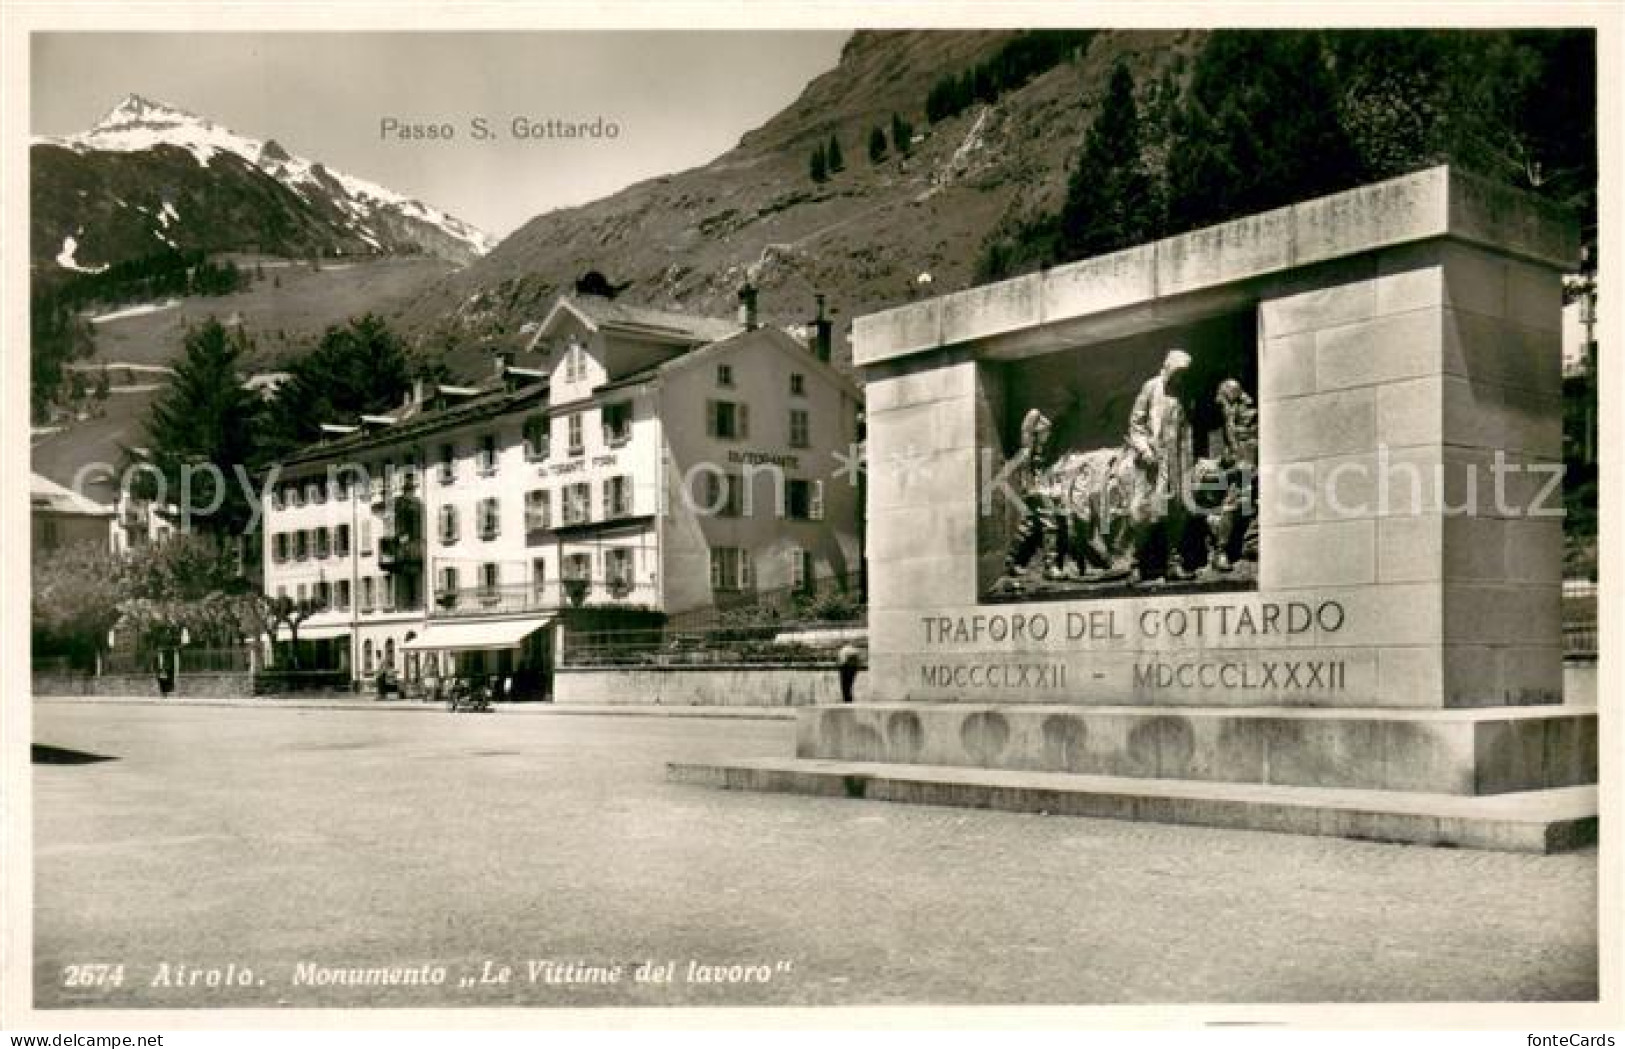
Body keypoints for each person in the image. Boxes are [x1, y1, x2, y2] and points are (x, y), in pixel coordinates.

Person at [1126, 349, 1195, 582]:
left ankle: (1173, 563)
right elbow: (1135, 424)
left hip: (1177, 461)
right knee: (1144, 513)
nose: (1180, 378)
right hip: (1152, 462)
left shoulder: (1184, 391)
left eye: (1184, 374)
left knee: (1176, 511)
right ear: (1167, 368)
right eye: (1177, 373)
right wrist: (1145, 449)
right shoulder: (1151, 387)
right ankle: (1137, 564)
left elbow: (1186, 429)